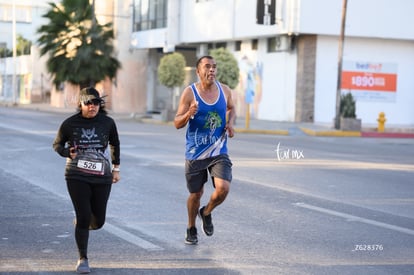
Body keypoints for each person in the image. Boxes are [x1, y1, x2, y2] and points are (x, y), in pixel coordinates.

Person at [53, 87, 120, 273]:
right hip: (76, 175)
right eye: (88, 103)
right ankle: (83, 258)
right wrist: (66, 152)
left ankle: (83, 223)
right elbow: (57, 144)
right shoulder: (69, 124)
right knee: (83, 216)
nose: (92, 106)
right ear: (80, 104)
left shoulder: (108, 123)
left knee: (98, 221)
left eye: (96, 103)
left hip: (102, 176)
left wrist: (116, 169)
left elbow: (115, 143)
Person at [174, 55, 236, 245]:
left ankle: (206, 212)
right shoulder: (190, 93)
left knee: (223, 188)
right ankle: (191, 227)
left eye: (214, 67)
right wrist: (188, 114)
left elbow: (231, 108)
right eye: (207, 67)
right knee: (196, 194)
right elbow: (177, 122)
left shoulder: (224, 90)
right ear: (198, 71)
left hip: (219, 151)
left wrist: (230, 123)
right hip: (196, 153)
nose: (212, 70)